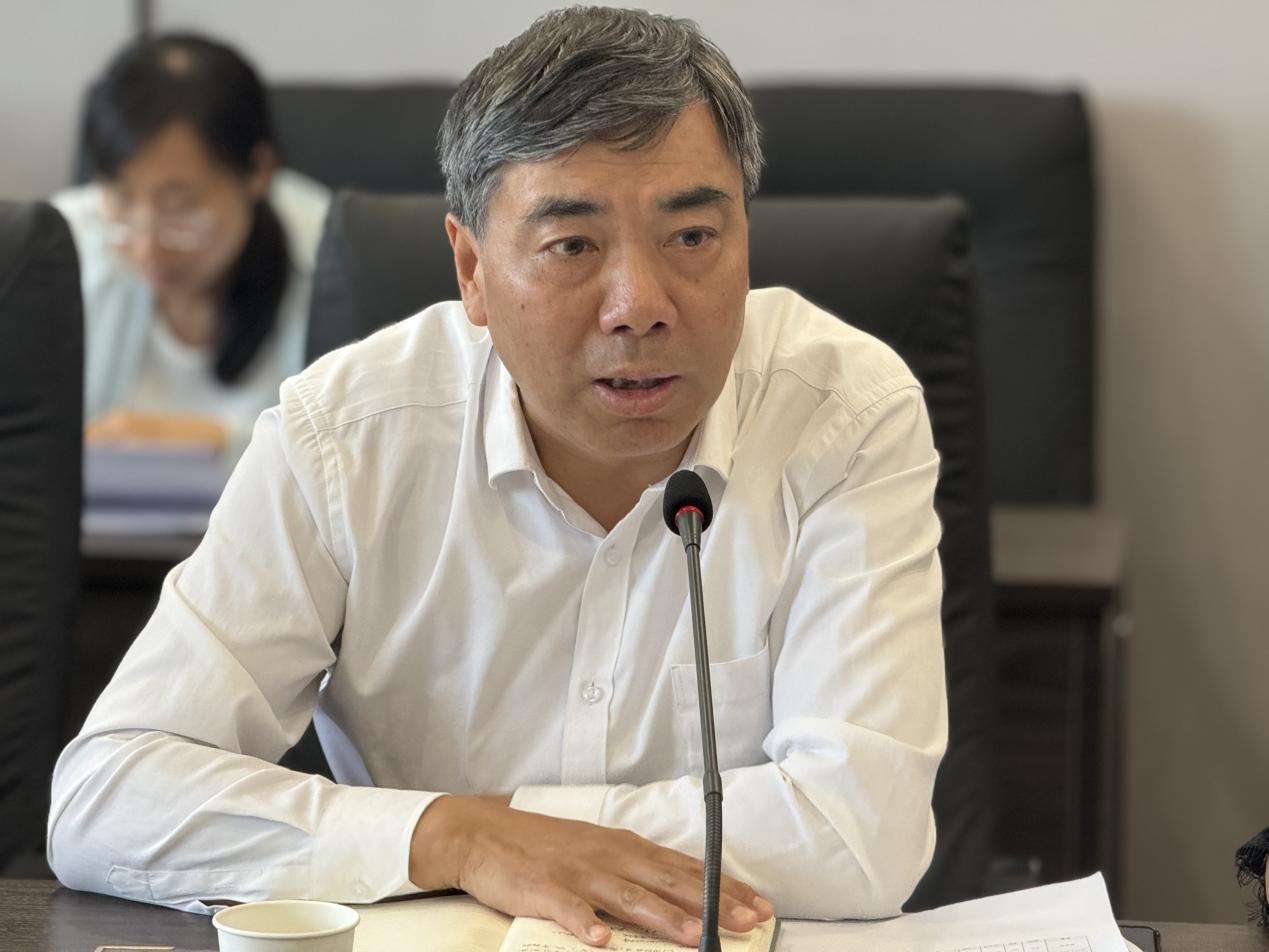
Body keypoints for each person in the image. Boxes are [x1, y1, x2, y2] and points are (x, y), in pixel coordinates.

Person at [48, 8, 947, 944]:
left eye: (691, 237)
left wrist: (507, 831)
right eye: (572, 246)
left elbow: (860, 834)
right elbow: (110, 797)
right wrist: (453, 838)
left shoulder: (842, 413)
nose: (639, 306)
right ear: (472, 269)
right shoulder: (347, 438)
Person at [52, 33, 330, 460]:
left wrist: (206, 443)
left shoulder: (336, 259)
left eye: (180, 207)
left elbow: (356, 452)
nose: (146, 245)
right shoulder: (54, 247)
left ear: (258, 171)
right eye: (121, 198)